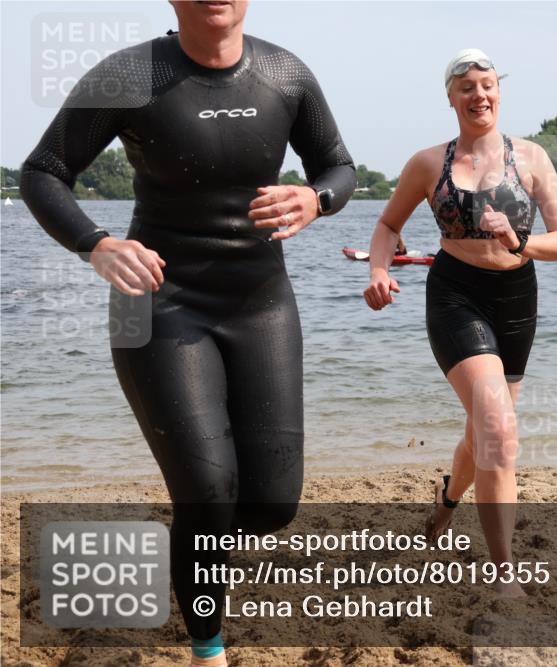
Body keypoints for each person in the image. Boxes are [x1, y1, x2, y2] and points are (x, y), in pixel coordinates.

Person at [20, 2, 355, 664]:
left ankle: (192, 527)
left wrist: (318, 199)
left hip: (261, 303)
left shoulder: (285, 73)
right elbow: (43, 171)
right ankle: (208, 647)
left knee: (269, 504)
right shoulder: (130, 73)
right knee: (206, 490)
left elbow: (337, 166)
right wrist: (96, 243)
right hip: (157, 301)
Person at [363, 48, 557, 596]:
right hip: (456, 295)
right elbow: (388, 224)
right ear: (451, 98)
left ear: (498, 93)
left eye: (487, 84)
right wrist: (381, 270)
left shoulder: (530, 158)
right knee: (500, 434)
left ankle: (445, 503)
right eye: (467, 87)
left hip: (516, 299)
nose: (479, 95)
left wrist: (519, 240)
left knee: (483, 434)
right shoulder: (427, 163)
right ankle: (506, 578)